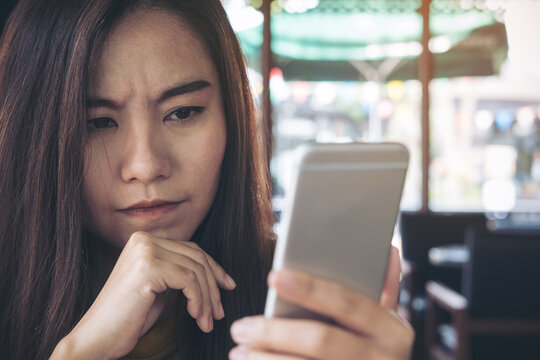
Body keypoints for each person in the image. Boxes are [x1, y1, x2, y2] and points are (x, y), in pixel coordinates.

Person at [0, 0, 414, 359]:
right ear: (34, 135)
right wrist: (78, 352)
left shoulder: (293, 301)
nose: (145, 166)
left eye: (182, 113)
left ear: (231, 118)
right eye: (99, 122)